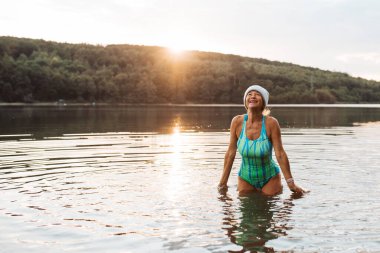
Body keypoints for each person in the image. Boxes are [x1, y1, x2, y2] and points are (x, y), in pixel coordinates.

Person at [218, 84, 307, 195]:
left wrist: (291, 183)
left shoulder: (271, 123)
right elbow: (230, 153)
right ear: (245, 101)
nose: (253, 96)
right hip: (245, 177)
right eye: (249, 94)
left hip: (270, 178)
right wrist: (222, 183)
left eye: (257, 95)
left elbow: (280, 154)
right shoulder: (237, 122)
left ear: (264, 102)